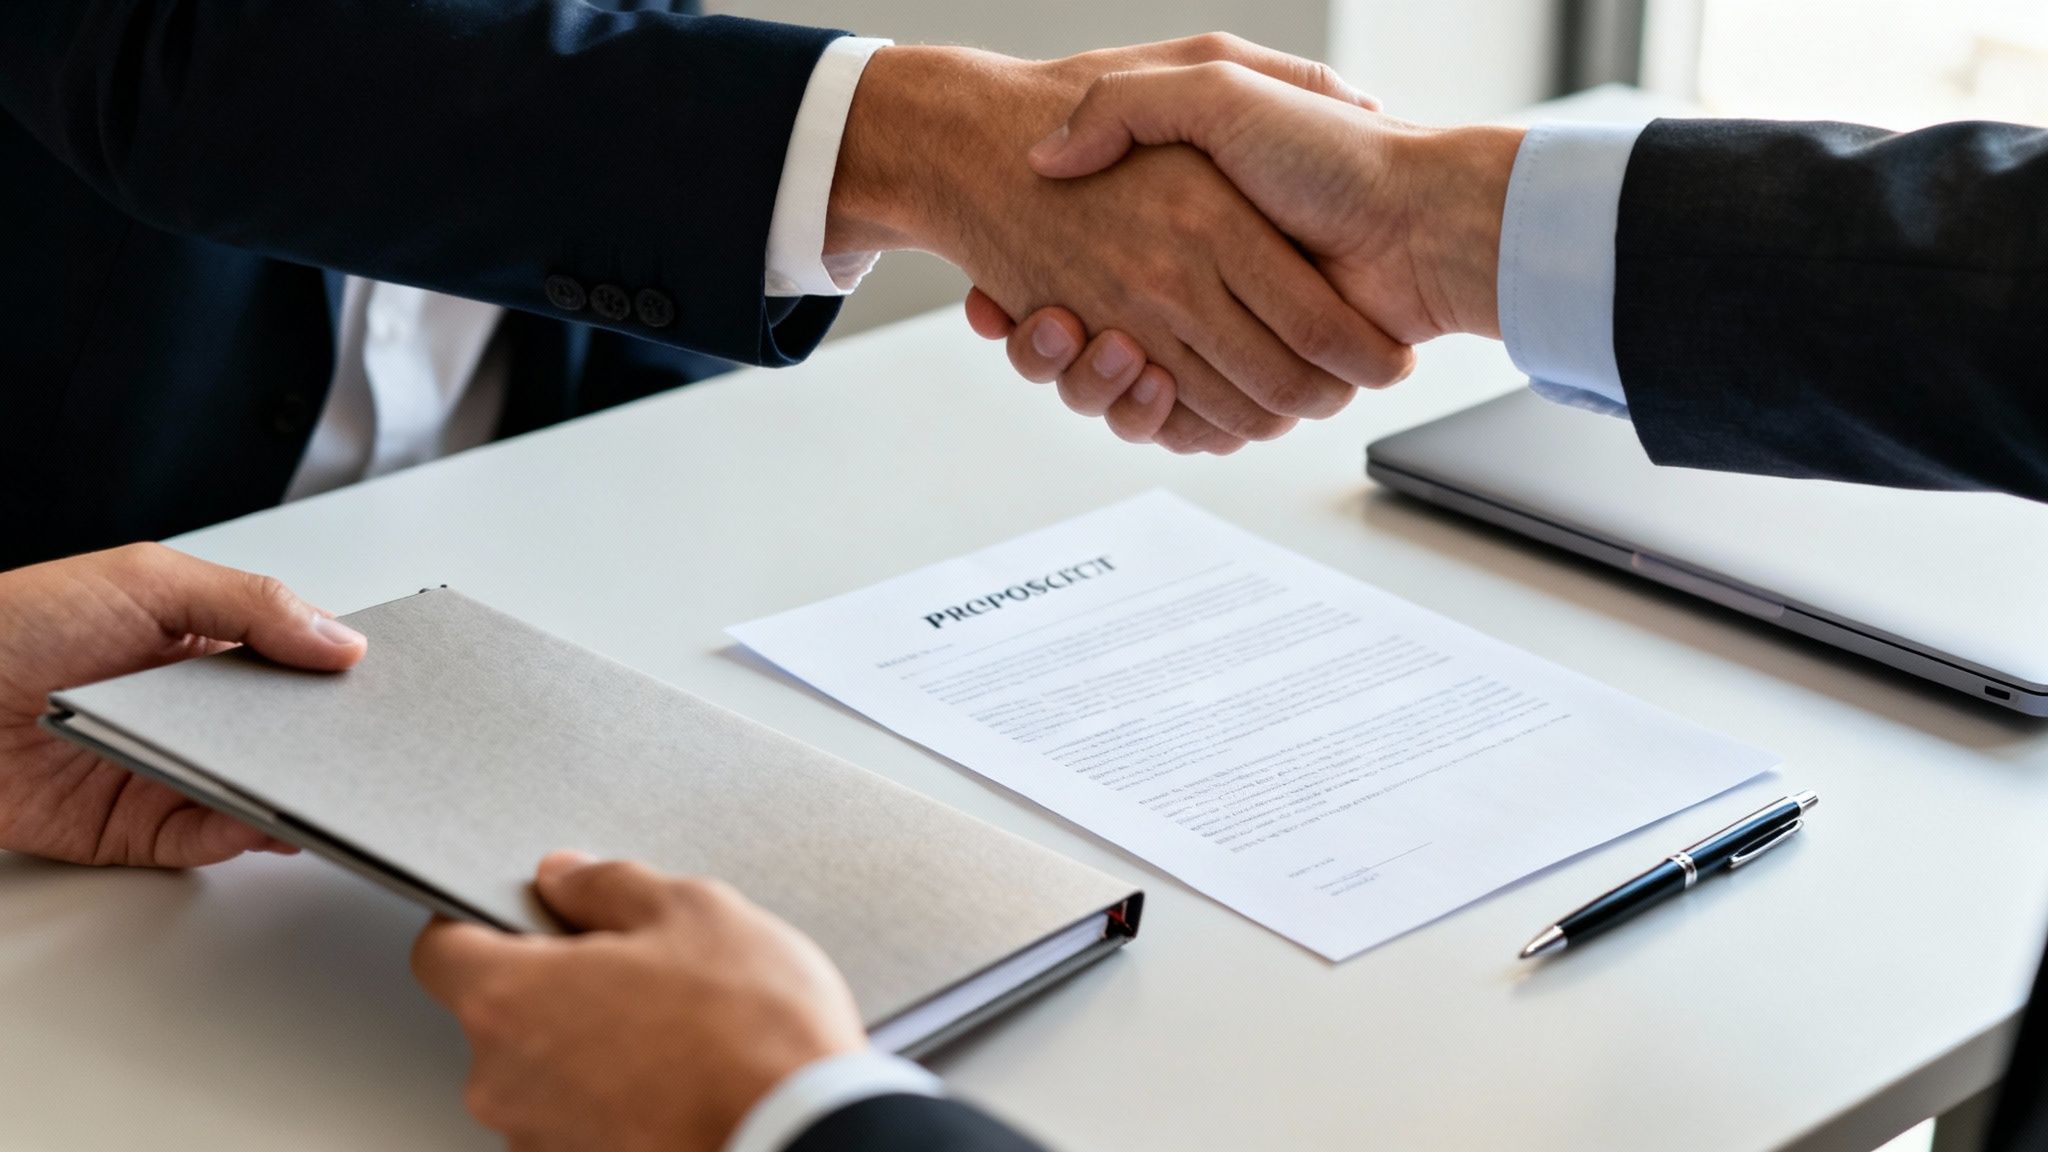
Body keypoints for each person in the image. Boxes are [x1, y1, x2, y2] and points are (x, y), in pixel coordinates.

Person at [1, 4, 1415, 574]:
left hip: (516, 593)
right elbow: (184, 63)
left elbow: (626, 43)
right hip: (82, 624)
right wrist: (935, 147)